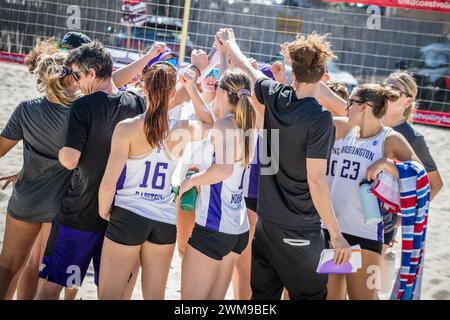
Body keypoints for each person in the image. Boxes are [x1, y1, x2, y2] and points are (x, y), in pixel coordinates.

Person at [216, 28, 351, 300]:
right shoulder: (320, 118)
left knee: (263, 298)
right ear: (323, 76)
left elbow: (247, 67)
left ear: (294, 72)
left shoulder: (275, 95)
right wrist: (336, 235)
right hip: (299, 228)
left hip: (266, 226)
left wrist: (231, 43)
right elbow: (315, 180)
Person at [34, 41, 146, 299]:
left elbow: (71, 160)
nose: (75, 81)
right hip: (118, 216)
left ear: (92, 73)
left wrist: (61, 153)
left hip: (80, 214)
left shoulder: (83, 106)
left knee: (52, 286)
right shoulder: (137, 104)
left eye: (77, 75)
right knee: (110, 292)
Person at [97, 62, 211, 300]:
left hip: (129, 213)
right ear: (172, 93)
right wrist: (191, 88)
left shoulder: (128, 128)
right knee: (155, 296)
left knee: (110, 294)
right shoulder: (181, 129)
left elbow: (109, 183)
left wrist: (104, 211)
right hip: (164, 220)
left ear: (144, 89)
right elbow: (209, 123)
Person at [326, 83, 422, 300]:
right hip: (334, 232)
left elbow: (419, 174)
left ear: (364, 107)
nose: (346, 107)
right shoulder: (346, 129)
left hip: (365, 234)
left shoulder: (390, 139)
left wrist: (387, 164)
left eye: (350, 102)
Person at [0, 53, 79, 299]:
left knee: (7, 266)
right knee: (48, 278)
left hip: (25, 198)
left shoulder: (26, 109)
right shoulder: (81, 114)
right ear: (68, 78)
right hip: (60, 205)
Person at [179, 68, 256, 300]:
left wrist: (190, 182)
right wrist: (192, 89)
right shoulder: (246, 124)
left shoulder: (225, 125)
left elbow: (223, 169)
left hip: (214, 226)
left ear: (222, 93)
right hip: (237, 228)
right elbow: (212, 121)